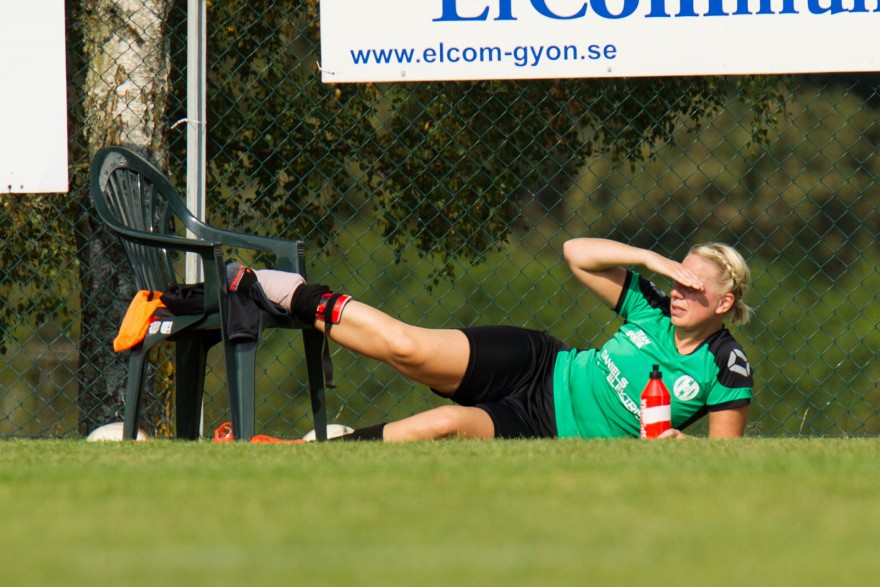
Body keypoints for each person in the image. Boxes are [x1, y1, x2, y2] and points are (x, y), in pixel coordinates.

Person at [251, 237, 754, 441]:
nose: (678, 291)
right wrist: (647, 259)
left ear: (725, 304)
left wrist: (678, 442)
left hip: (544, 428)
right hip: (539, 366)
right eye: (677, 278)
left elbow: (721, 456)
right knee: (411, 350)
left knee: (443, 423)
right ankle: (291, 294)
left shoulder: (726, 365)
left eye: (693, 287)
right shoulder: (651, 307)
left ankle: (308, 451)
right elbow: (575, 251)